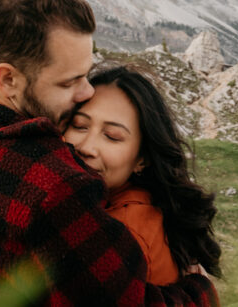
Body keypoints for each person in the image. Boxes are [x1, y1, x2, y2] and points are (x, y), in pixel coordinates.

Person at [0, 0, 218, 306]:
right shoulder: (60, 188)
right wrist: (198, 290)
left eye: (86, 75)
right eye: (69, 81)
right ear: (8, 79)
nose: (87, 92)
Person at [64, 65, 221, 287]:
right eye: (79, 125)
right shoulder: (134, 204)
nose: (87, 147)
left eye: (112, 136)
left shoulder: (120, 231)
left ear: (142, 159)